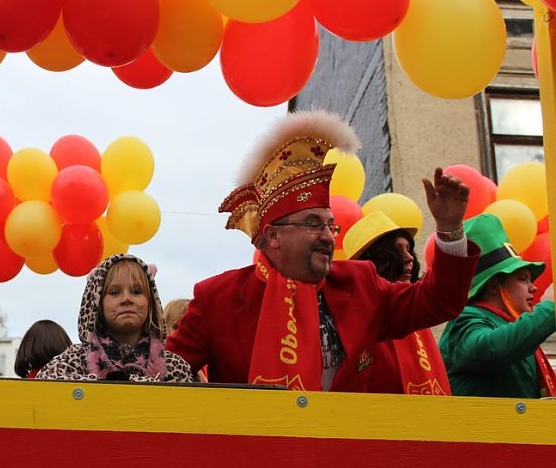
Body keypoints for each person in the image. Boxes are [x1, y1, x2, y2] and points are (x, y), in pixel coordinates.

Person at [166, 109, 479, 391]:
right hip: (261, 451)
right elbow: (164, 374)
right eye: (313, 224)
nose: (329, 237)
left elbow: (439, 301)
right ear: (273, 236)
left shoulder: (361, 285)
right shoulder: (219, 298)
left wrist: (450, 228)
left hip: (349, 451)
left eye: (331, 225)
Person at [439, 213, 556, 398]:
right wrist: (550, 308)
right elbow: (493, 349)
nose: (533, 287)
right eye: (522, 279)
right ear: (494, 286)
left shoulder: (512, 329)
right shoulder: (465, 319)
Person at [343, 211, 451, 395]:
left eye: (409, 249)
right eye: (397, 250)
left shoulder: (416, 314)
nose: (409, 258)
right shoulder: (354, 318)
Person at [38, 254, 192, 382]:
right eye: (114, 292)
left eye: (136, 291)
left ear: (151, 302)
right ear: (97, 303)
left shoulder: (174, 367)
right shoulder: (72, 362)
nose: (127, 299)